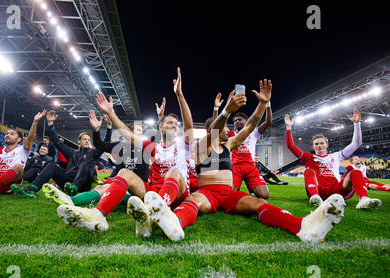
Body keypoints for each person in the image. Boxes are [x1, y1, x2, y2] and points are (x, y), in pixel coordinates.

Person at [145, 79, 345, 243]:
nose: (227, 131)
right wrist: (225, 111)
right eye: (223, 129)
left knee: (257, 202)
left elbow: (249, 127)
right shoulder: (202, 146)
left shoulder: (228, 145)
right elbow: (215, 129)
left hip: (229, 192)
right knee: (194, 202)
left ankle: (302, 225)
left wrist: (263, 104)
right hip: (208, 193)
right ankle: (174, 222)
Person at [54, 67, 194, 239]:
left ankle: (160, 212)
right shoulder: (152, 146)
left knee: (174, 172)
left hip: (177, 194)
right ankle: (98, 215)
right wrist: (111, 113)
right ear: (160, 127)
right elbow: (127, 134)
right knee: (124, 172)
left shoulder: (183, 144)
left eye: (175, 124)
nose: (173, 125)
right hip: (152, 196)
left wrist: (179, 94)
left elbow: (189, 126)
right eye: (169, 123)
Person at [285, 111, 381, 210]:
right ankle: (315, 198)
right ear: (313, 147)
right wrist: (289, 128)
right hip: (319, 190)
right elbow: (290, 146)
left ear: (327, 145)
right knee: (308, 171)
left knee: (355, 172)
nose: (319, 145)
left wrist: (357, 124)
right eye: (316, 144)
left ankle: (363, 200)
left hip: (336, 189)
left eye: (321, 143)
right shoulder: (307, 157)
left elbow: (356, 144)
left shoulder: (337, 156)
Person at [12, 110, 105, 198]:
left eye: (89, 140)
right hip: (68, 182)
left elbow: (103, 146)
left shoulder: (93, 153)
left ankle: (74, 188)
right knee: (52, 165)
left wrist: (100, 130)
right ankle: (31, 189)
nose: (87, 141)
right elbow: (57, 142)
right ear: (79, 141)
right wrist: (50, 124)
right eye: (85, 139)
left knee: (84, 165)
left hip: (84, 184)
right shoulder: (72, 152)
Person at [230, 100, 273, 199]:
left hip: (250, 166)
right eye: (235, 120)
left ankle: (254, 188)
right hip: (235, 166)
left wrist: (268, 105)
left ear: (246, 120)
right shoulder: (231, 135)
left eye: (239, 119)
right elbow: (215, 129)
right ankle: (251, 190)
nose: (237, 122)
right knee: (230, 194)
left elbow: (268, 122)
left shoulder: (254, 132)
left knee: (264, 195)